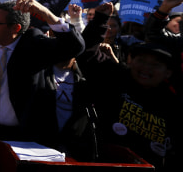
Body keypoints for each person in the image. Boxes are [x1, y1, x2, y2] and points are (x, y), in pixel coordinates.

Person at [0, 0, 85, 142]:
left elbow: (75, 46)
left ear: (15, 28)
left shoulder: (33, 45)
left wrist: (44, 12)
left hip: (23, 137)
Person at [77, 41, 182, 171]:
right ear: (130, 61)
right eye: (141, 60)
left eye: (155, 65)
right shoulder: (115, 78)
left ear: (168, 72)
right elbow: (85, 50)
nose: (146, 68)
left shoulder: (173, 104)